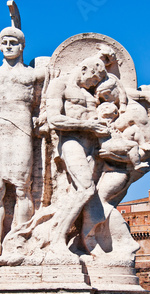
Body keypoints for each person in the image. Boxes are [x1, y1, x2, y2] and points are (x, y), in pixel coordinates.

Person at [0, 26, 45, 264]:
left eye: (13, 41)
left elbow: (40, 104)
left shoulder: (35, 76)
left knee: (22, 188)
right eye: (4, 42)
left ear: (22, 46)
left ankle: (19, 241)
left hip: (22, 132)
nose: (8, 46)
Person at [45, 57, 110, 258]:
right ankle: (56, 238)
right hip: (71, 141)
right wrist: (87, 126)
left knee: (91, 196)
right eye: (93, 78)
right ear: (83, 68)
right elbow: (53, 118)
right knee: (85, 189)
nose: (94, 84)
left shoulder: (89, 93)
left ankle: (86, 241)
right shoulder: (60, 84)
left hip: (93, 148)